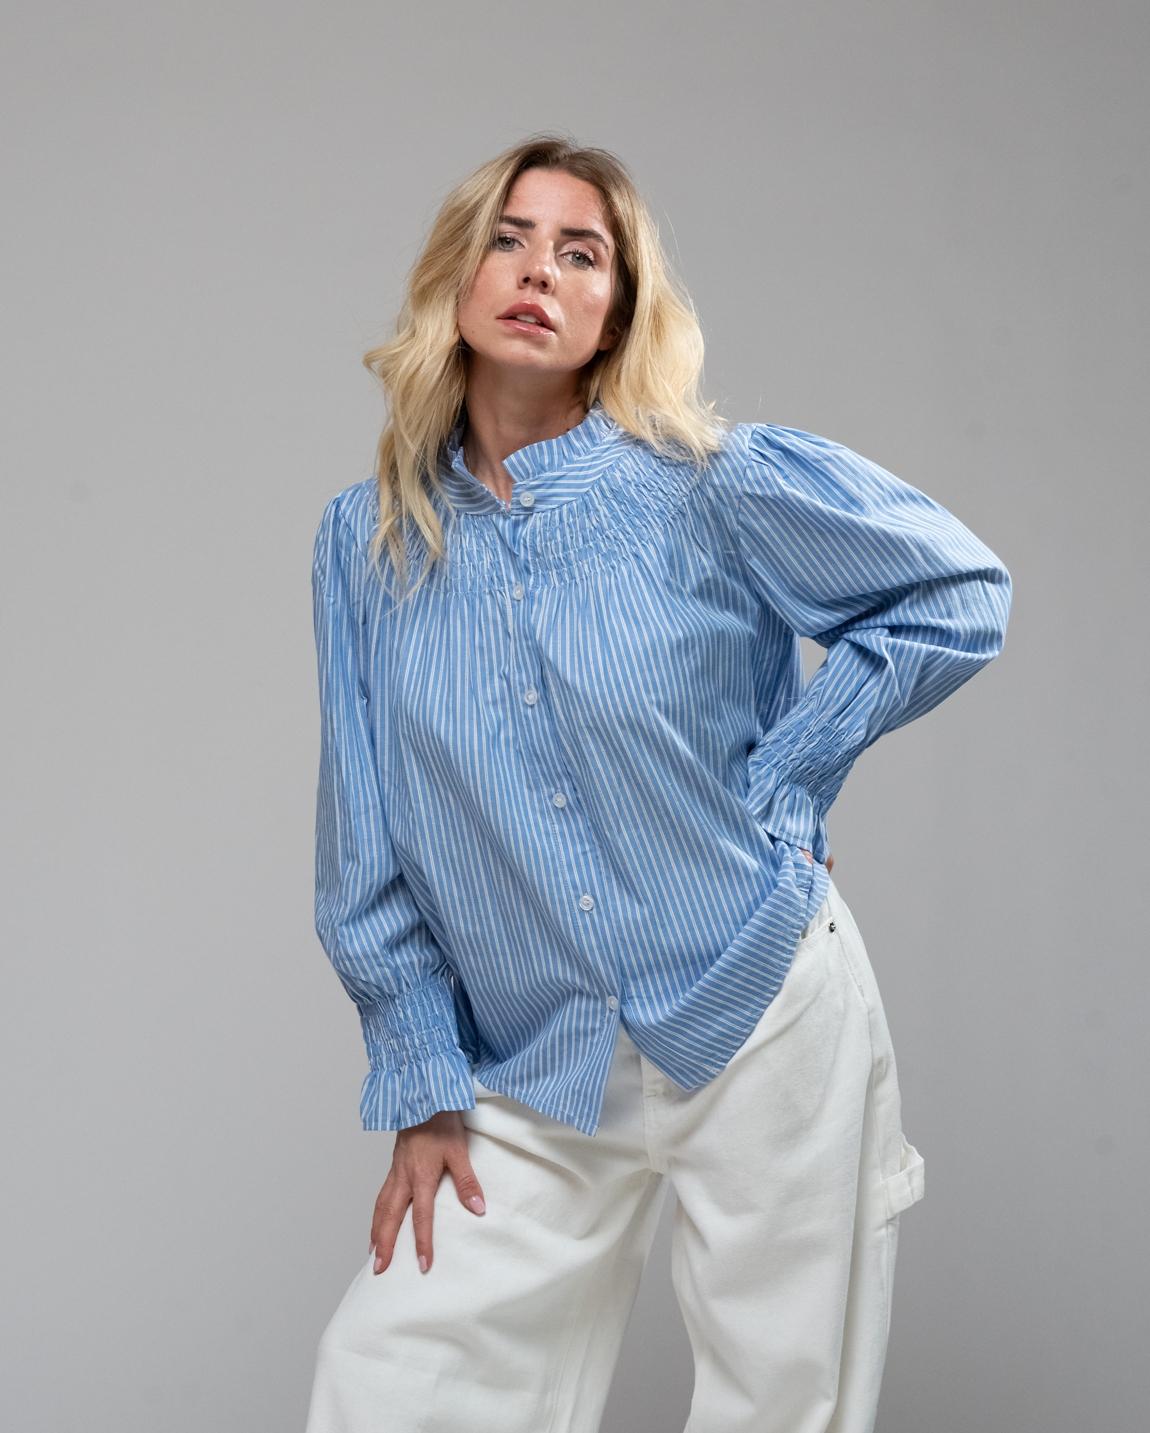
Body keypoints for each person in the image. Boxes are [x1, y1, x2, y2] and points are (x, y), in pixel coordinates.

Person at [303, 134, 1012, 1433]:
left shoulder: (708, 482)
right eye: (509, 239)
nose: (540, 272)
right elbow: (367, 842)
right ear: (456, 277)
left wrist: (789, 780)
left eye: (582, 254)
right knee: (394, 1376)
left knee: (779, 1405)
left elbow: (957, 591)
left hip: (757, 1006)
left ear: (617, 312)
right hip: (533, 1053)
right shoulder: (368, 542)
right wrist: (422, 1079)